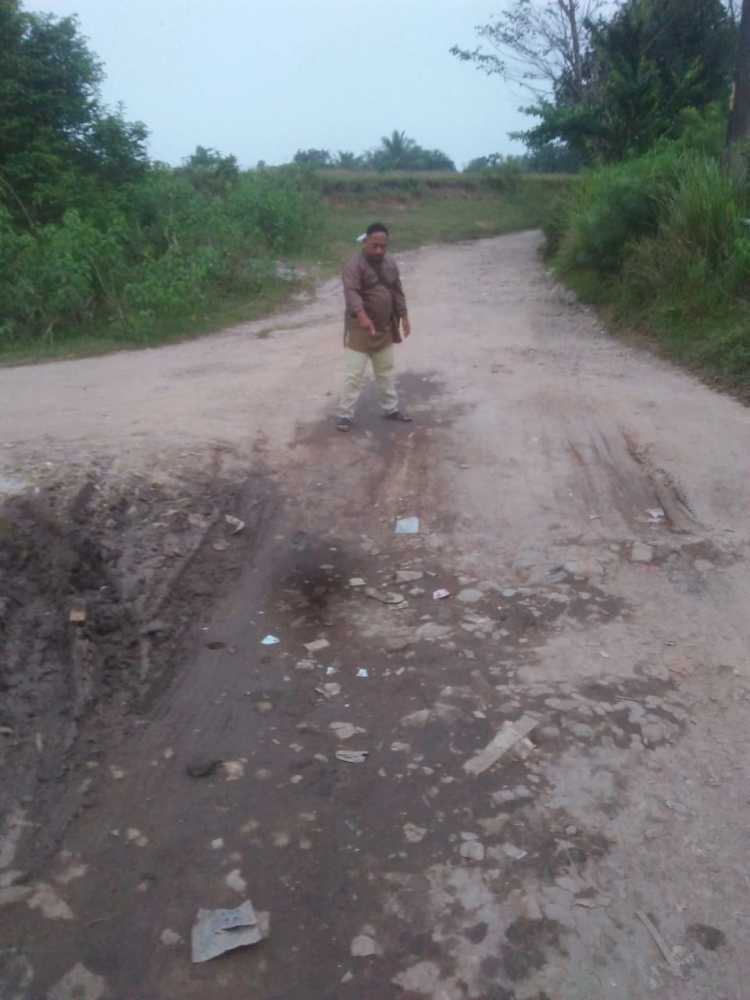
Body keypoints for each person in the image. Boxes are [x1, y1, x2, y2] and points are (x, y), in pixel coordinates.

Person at [336, 222, 412, 432]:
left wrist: (404, 316)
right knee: (354, 375)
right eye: (374, 245)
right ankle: (344, 415)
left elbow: (397, 290)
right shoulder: (354, 265)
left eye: (383, 246)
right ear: (365, 242)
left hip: (385, 328)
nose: (379, 250)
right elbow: (351, 293)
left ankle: (391, 409)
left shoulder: (390, 263)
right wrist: (361, 315)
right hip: (361, 329)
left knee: (386, 372)